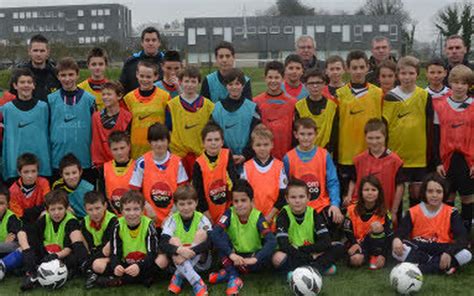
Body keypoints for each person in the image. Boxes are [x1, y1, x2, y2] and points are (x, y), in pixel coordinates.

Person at [392, 173, 472, 274]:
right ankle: (443, 266)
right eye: (430, 191)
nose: (434, 195)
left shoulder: (452, 212)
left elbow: (462, 237)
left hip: (443, 248)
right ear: (424, 192)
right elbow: (400, 232)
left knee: (466, 254)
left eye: (439, 192)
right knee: (396, 251)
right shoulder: (413, 211)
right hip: (420, 248)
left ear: (444, 193)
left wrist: (449, 253)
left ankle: (418, 268)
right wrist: (396, 239)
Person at [210, 180, 276, 295]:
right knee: (218, 235)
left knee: (266, 254)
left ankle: (228, 273)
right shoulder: (229, 213)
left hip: (252, 260)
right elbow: (215, 233)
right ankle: (234, 277)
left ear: (252, 201)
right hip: (234, 256)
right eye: (236, 201)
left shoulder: (258, 216)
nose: (239, 204)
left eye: (243, 200)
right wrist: (231, 254)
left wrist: (255, 259)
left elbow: (272, 241)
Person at [383, 56, 433, 206]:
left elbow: (429, 125)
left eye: (411, 73)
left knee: (416, 193)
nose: (407, 77)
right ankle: (395, 225)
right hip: (396, 154)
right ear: (398, 75)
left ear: (417, 74)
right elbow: (385, 124)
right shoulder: (390, 96)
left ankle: (414, 225)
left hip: (418, 154)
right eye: (404, 73)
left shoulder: (424, 95)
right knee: (395, 193)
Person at [433, 65, 474, 236]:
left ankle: (465, 234)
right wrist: (437, 162)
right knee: (447, 197)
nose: (459, 86)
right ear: (450, 83)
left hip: (468, 161)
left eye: (463, 83)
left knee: (468, 198)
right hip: (447, 160)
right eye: (456, 82)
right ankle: (446, 232)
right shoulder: (440, 105)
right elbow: (435, 137)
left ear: (469, 85)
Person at [272, 179, 344, 275]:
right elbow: (284, 245)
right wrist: (310, 257)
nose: (297, 201)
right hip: (293, 253)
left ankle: (301, 272)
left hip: (309, 250)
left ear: (308, 197)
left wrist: (304, 250)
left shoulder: (313, 213)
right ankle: (318, 268)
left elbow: (325, 241)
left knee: (338, 246)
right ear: (287, 199)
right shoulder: (283, 215)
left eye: (301, 197)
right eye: (293, 197)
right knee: (277, 258)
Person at [19, 189, 88, 291]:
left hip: (63, 255)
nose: (56, 213)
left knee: (74, 256)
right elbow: (22, 232)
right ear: (47, 210)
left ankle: (36, 275)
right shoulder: (45, 218)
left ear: (67, 208)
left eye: (60, 208)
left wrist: (55, 255)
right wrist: (27, 251)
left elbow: (70, 247)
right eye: (53, 209)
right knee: (27, 246)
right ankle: (32, 273)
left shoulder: (71, 221)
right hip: (47, 253)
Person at [336, 50, 383, 197]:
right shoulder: (339, 94)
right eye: (354, 68)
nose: (358, 71)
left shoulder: (378, 93)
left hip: (370, 153)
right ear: (347, 68)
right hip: (346, 154)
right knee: (346, 197)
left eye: (362, 67)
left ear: (368, 67)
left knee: (369, 195)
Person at [283, 118, 343, 229]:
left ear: (316, 134)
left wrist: (335, 204)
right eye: (302, 134)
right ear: (296, 135)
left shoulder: (324, 155)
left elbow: (332, 182)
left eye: (310, 134)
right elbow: (285, 186)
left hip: (321, 205)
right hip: (298, 206)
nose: (306, 138)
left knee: (335, 217)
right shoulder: (288, 158)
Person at [129, 123, 188, 228]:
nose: (159, 144)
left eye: (162, 140)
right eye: (155, 141)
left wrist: (172, 214)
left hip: (173, 217)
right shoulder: (142, 162)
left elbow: (183, 192)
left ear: (168, 141)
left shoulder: (178, 162)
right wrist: (146, 206)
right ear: (150, 142)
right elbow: (134, 191)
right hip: (149, 218)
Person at [346, 119, 404, 224]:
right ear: (365, 138)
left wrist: (394, 211)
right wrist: (349, 196)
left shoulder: (395, 161)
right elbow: (353, 180)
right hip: (362, 210)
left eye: (378, 138)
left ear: (385, 137)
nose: (374, 142)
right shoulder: (359, 160)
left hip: (385, 210)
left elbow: (400, 187)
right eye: (370, 138)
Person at [48, 57, 96, 182]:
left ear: (77, 75)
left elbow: (96, 129)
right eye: (63, 75)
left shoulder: (89, 99)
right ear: (58, 76)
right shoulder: (51, 100)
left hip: (84, 160)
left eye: (71, 74)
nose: (67, 79)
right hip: (58, 160)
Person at [159, 184, 211, 295]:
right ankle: (197, 282)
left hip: (200, 262)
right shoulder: (172, 220)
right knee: (174, 240)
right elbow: (162, 243)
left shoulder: (202, 218)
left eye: (190, 203)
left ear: (196, 203)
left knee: (202, 234)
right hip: (177, 260)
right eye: (182, 204)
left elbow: (211, 242)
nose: (186, 207)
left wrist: (190, 252)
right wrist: (180, 251)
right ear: (176, 205)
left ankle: (178, 277)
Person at [2, 68, 51, 181]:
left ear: (34, 85)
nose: (26, 85)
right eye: (22, 82)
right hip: (15, 166)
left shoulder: (43, 107)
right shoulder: (6, 110)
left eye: (29, 82)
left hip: (41, 166)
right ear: (15, 85)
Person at [166, 66, 215, 176]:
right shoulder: (172, 105)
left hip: (202, 154)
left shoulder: (208, 105)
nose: (189, 85)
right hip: (179, 156)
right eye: (186, 81)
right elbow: (168, 129)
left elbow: (212, 130)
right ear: (180, 82)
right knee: (181, 190)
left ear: (199, 83)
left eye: (193, 81)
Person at [107, 190, 159, 287]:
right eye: (127, 209)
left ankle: (121, 280)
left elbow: (152, 252)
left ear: (142, 211)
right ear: (122, 211)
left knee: (161, 261)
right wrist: (116, 266)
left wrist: (139, 266)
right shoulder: (117, 225)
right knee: (99, 265)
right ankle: (142, 279)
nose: (132, 213)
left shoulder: (148, 224)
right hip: (125, 264)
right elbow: (114, 251)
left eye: (136, 209)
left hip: (144, 264)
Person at [212, 68, 260, 168]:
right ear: (226, 86)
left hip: (248, 159)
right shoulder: (216, 109)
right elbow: (214, 134)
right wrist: (228, 155)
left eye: (237, 84)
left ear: (243, 85)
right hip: (224, 159)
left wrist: (245, 155)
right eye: (230, 84)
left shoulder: (253, 108)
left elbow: (256, 134)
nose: (234, 87)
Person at [123, 61, 171, 159]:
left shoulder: (165, 97)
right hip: (136, 150)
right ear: (137, 75)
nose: (145, 80)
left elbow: (170, 125)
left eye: (148, 77)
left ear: (156, 77)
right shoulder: (128, 98)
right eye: (142, 76)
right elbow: (125, 127)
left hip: (158, 148)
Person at [344, 175, 393, 270]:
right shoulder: (351, 209)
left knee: (377, 227)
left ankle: (375, 255)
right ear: (361, 192)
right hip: (358, 244)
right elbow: (347, 230)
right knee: (355, 260)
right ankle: (363, 257)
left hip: (376, 246)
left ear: (379, 192)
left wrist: (383, 255)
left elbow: (389, 236)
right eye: (366, 190)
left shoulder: (384, 212)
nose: (370, 193)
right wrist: (354, 243)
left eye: (373, 190)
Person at [241, 125, 287, 224]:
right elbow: (244, 194)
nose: (262, 148)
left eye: (266, 144)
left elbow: (283, 194)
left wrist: (270, 216)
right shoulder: (247, 166)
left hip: (274, 217)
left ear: (272, 145)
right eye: (258, 145)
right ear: (252, 146)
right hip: (253, 217)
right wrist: (256, 215)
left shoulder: (279, 166)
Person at [193, 123, 238, 224]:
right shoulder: (198, 163)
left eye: (217, 139)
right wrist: (205, 211)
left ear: (222, 142)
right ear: (203, 143)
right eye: (209, 140)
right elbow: (198, 190)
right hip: (208, 211)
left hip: (227, 208)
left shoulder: (226, 155)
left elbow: (234, 180)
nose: (213, 143)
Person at [253, 61, 296, 159]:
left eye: (276, 77)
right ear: (265, 78)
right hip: (264, 157)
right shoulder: (256, 102)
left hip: (286, 155)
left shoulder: (292, 103)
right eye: (270, 77)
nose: (273, 81)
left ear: (283, 79)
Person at [295, 68, 338, 154]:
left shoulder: (332, 106)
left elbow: (335, 132)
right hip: (305, 151)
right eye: (311, 83)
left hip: (326, 152)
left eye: (318, 83)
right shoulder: (299, 106)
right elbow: (297, 131)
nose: (315, 86)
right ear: (306, 85)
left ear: (324, 84)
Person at [91, 81, 132, 168]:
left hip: (121, 163)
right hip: (101, 165)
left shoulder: (127, 117)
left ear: (119, 96)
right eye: (103, 94)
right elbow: (95, 141)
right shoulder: (96, 117)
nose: (105, 97)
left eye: (109, 94)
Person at [81, 191, 117, 289]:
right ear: (85, 209)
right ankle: (96, 275)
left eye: (98, 208)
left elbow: (107, 249)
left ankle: (91, 272)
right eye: (90, 210)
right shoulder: (84, 222)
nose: (95, 213)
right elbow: (88, 245)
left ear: (105, 206)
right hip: (96, 253)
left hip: (111, 255)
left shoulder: (113, 220)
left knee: (98, 265)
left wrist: (87, 263)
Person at [120, 27, 164, 94]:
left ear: (159, 43)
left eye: (154, 40)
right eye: (147, 40)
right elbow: (122, 87)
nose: (150, 43)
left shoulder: (167, 63)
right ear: (142, 43)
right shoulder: (131, 62)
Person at [9, 153, 50, 224]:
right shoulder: (13, 190)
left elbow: (49, 203)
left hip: (42, 219)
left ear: (38, 171)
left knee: (47, 213)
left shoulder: (44, 183)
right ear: (19, 172)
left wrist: (28, 212)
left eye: (33, 171)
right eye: (26, 172)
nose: (30, 175)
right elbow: (20, 216)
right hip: (23, 223)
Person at [17, 34, 60, 100]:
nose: (38, 54)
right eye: (35, 50)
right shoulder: (20, 74)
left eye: (42, 51)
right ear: (29, 51)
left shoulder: (56, 73)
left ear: (48, 52)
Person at [102, 131, 135, 215]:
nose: (119, 152)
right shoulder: (104, 168)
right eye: (115, 149)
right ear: (110, 150)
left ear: (129, 147)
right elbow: (102, 197)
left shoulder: (138, 167)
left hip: (134, 215)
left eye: (122, 148)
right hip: (113, 216)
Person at [52, 154, 95, 218]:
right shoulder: (57, 186)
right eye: (67, 174)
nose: (71, 177)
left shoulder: (89, 188)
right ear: (61, 174)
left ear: (80, 172)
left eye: (74, 173)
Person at [0, 185, 23, 280]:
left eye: (1, 203)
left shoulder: (12, 219)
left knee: (20, 250)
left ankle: (3, 265)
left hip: (8, 251)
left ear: (7, 205)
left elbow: (12, 244)